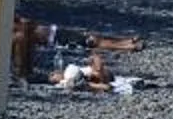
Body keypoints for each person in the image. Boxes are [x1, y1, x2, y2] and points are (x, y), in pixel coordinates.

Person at [10, 14, 142, 82]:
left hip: (57, 33)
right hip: (58, 39)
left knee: (93, 39)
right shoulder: (21, 31)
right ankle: (128, 46)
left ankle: (125, 42)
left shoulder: (21, 27)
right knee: (92, 41)